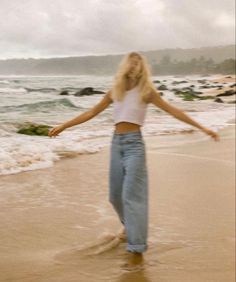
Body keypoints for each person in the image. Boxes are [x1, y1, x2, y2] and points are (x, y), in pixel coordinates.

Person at [48, 52, 220, 268]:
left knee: (132, 195)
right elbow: (92, 111)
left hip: (134, 145)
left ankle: (136, 247)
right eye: (130, 63)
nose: (133, 67)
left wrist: (203, 128)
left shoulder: (147, 92)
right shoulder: (116, 91)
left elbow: (174, 111)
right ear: (125, 66)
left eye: (138, 63)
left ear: (142, 68)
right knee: (114, 196)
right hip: (116, 143)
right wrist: (64, 125)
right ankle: (129, 227)